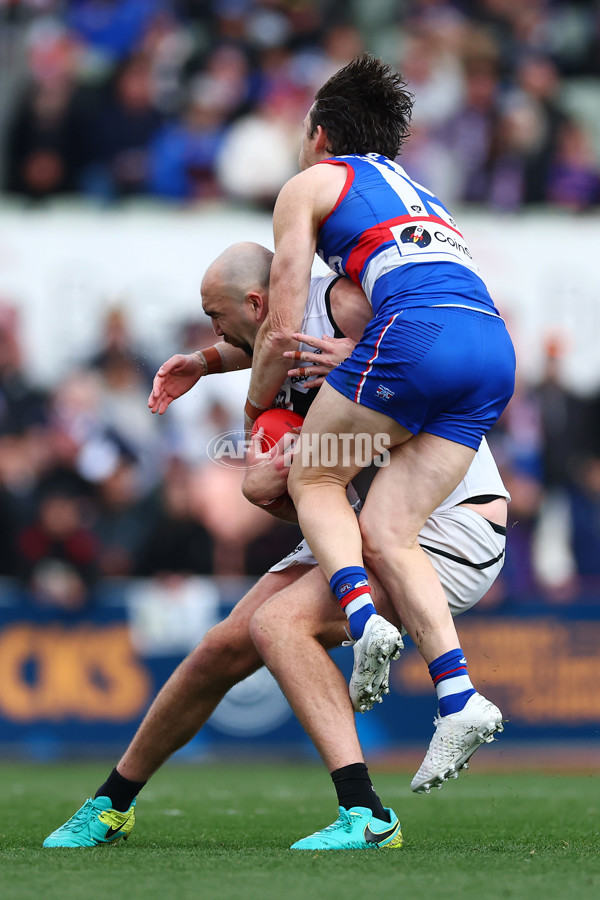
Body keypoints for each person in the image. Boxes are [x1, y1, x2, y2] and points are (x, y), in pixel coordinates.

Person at [43, 244, 508, 850]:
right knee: (221, 648)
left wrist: (372, 357)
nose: (213, 333)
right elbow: (274, 433)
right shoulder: (274, 351)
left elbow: (434, 361)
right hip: (363, 521)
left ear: (258, 303)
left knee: (279, 625)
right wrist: (211, 368)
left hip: (446, 524)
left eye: (215, 317)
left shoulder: (348, 304)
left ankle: (365, 813)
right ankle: (112, 802)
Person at [243, 56, 515, 772]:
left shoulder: (310, 183)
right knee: (391, 532)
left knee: (314, 479)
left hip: (418, 334)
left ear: (319, 133)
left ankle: (363, 619)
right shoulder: (423, 193)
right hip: (492, 346)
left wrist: (253, 404)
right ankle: (459, 698)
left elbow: (280, 322)